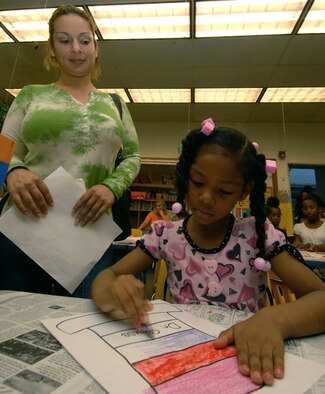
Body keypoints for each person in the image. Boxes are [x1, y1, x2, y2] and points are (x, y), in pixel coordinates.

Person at [92, 119, 325, 387]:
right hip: (182, 363)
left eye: (224, 190)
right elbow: (106, 278)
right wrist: (113, 288)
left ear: (244, 191)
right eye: (198, 182)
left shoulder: (255, 234)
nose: (205, 197)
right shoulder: (165, 234)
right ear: (186, 176)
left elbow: (320, 297)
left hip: (244, 363)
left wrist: (274, 320)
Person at [0, 5, 140, 297]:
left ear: (96, 47)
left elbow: (132, 157)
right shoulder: (31, 95)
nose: (76, 49)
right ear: (52, 48)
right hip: (24, 229)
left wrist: (112, 188)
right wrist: (13, 172)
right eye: (64, 41)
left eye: (84, 40)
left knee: (83, 325)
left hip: (89, 233)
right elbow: (2, 151)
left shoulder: (114, 103)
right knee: (16, 326)